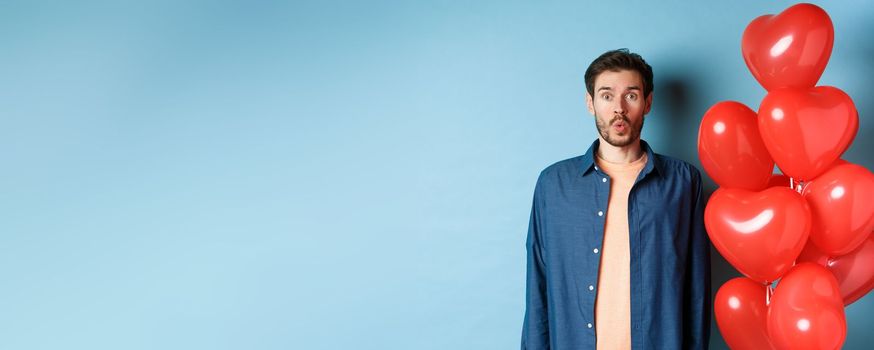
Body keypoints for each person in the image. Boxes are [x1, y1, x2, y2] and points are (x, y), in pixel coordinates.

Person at [521, 49, 711, 349]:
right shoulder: (553, 185)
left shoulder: (683, 182)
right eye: (607, 96)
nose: (618, 109)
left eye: (631, 96)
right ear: (590, 103)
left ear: (647, 103)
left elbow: (696, 290)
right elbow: (538, 288)